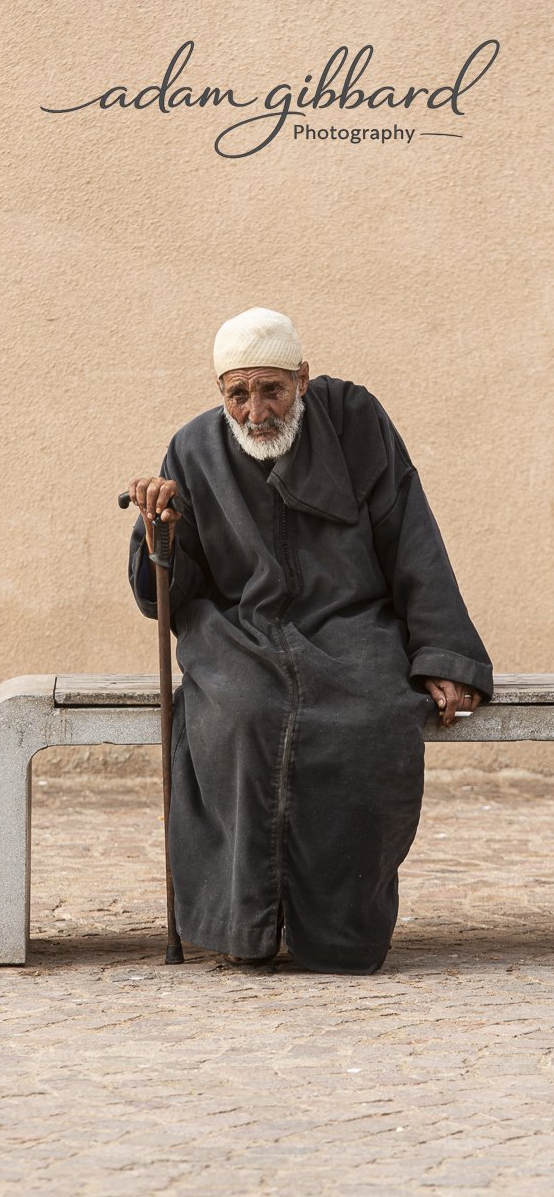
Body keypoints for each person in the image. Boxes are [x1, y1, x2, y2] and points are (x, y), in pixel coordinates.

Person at [126, 306, 492, 975]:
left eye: (271, 389)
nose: (256, 410)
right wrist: (160, 533)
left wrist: (441, 654)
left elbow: (411, 538)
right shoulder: (192, 450)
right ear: (220, 395)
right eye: (238, 393)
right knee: (240, 716)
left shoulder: (356, 425)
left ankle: (338, 934)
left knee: (374, 720)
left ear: (301, 377)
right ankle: (246, 926)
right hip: (239, 631)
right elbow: (165, 597)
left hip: (351, 624)